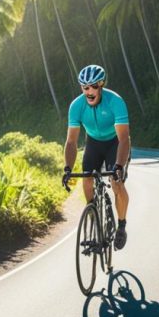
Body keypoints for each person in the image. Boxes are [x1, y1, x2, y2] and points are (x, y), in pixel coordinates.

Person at [62, 64, 132, 249]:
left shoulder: (115, 101)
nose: (90, 91)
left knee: (116, 183)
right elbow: (71, 142)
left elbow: (124, 139)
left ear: (101, 85)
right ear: (81, 88)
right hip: (93, 143)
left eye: (94, 86)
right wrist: (67, 168)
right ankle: (92, 211)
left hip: (115, 143)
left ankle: (122, 225)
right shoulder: (76, 106)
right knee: (86, 179)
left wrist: (118, 166)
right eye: (85, 87)